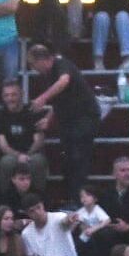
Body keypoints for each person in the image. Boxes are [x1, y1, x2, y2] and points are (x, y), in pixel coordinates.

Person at [28, 43, 102, 205]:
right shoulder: (49, 75)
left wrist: (43, 98)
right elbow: (59, 100)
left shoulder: (61, 64)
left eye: (33, 64)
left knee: (78, 160)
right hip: (69, 121)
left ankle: (79, 201)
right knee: (69, 161)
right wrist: (48, 118)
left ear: (42, 60)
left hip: (84, 119)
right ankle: (72, 199)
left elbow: (64, 82)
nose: (33, 69)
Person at [0, 81, 51, 198]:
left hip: (32, 153)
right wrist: (18, 156)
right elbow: (3, 145)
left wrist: (27, 155)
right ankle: (7, 202)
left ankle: (37, 200)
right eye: (6, 95)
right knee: (6, 163)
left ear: (21, 94)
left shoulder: (32, 111)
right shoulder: (0, 115)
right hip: (11, 155)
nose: (10, 98)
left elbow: (39, 140)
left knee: (38, 161)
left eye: (13, 95)